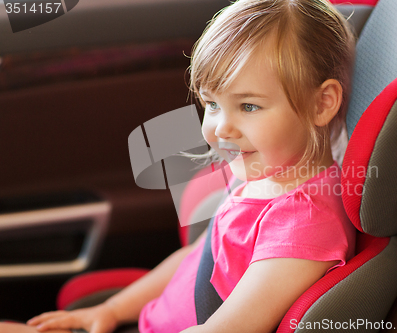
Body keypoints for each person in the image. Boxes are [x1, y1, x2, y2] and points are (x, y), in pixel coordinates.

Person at [1, 0, 356, 332]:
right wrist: (111, 309)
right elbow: (197, 255)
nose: (220, 129)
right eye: (212, 105)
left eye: (248, 106)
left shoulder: (303, 225)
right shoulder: (268, 176)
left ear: (322, 104)